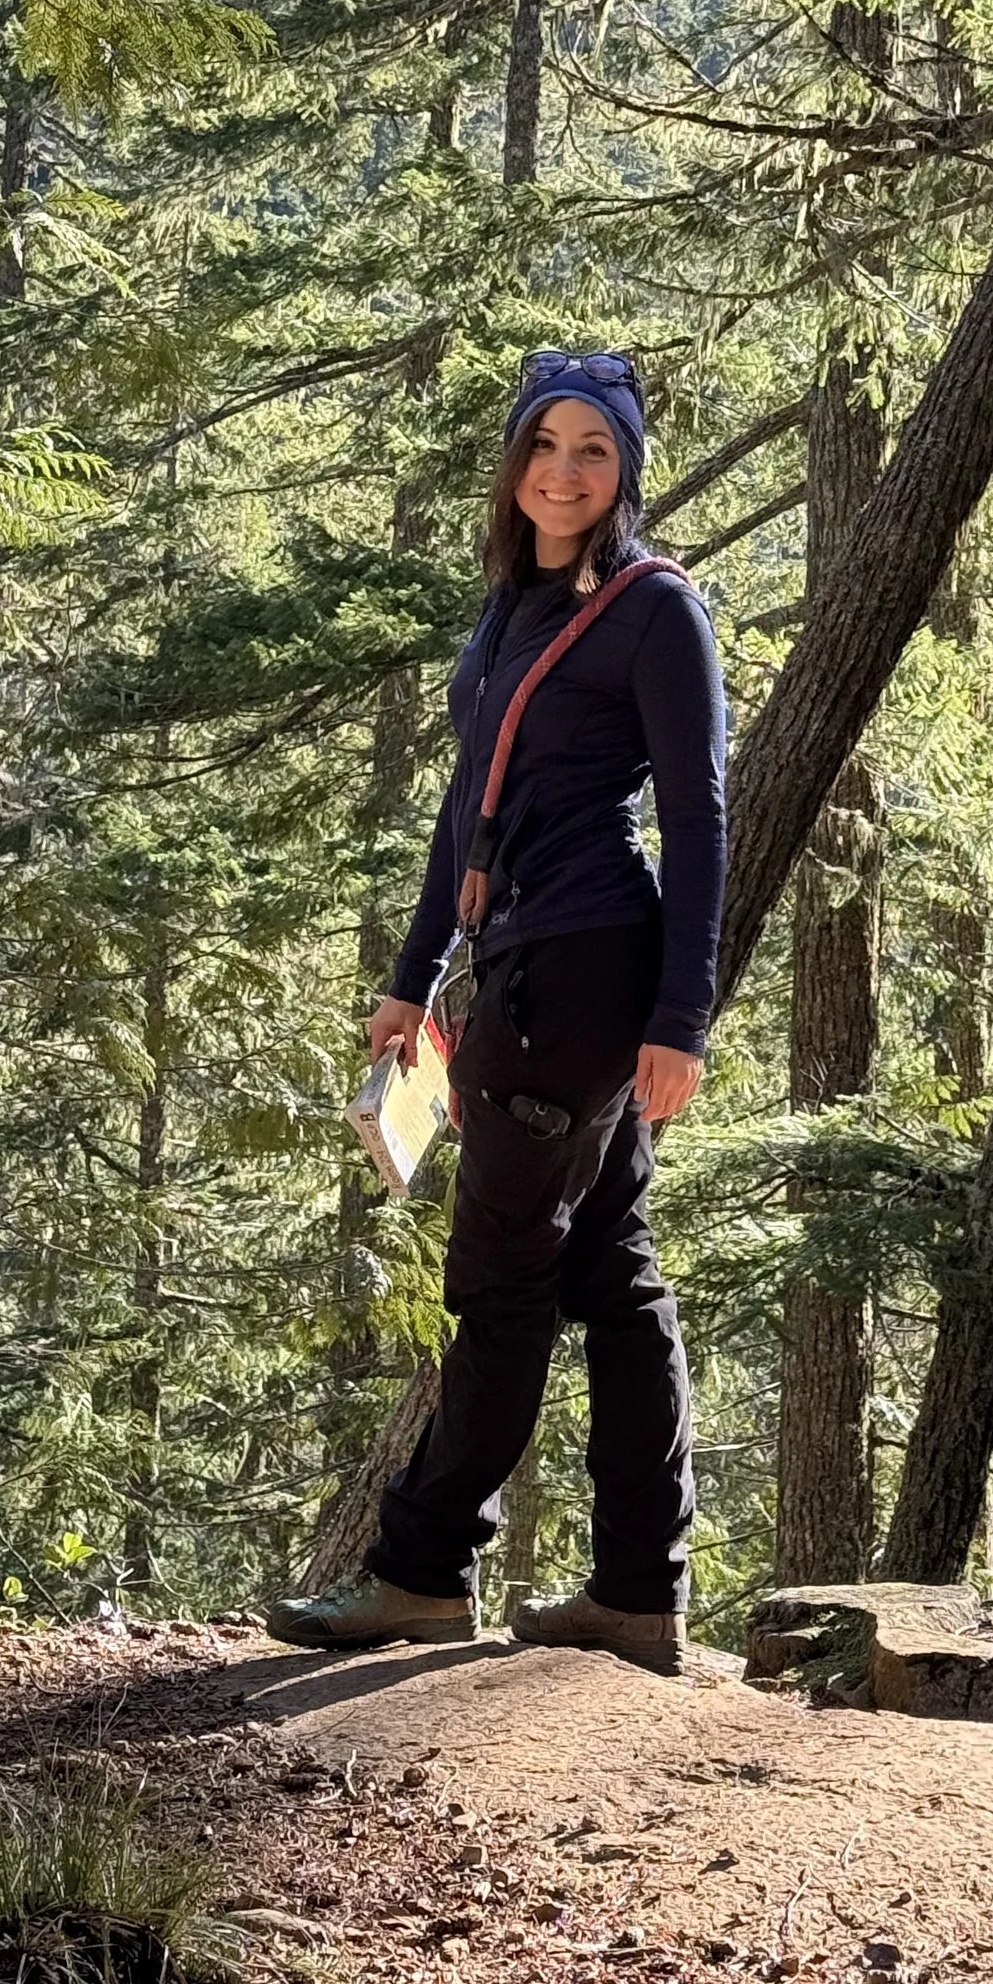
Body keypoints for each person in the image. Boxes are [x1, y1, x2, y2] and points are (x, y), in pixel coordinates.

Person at [268, 347, 724, 1677]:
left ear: (627, 468)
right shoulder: (512, 608)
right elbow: (465, 810)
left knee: (503, 1281)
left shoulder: (655, 612)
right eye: (546, 445)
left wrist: (682, 1016)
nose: (566, 471)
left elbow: (698, 823)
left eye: (595, 448)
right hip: (516, 960)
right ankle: (640, 1590)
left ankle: (421, 1572)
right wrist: (412, 980)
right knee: (613, 1268)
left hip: (584, 970)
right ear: (514, 465)